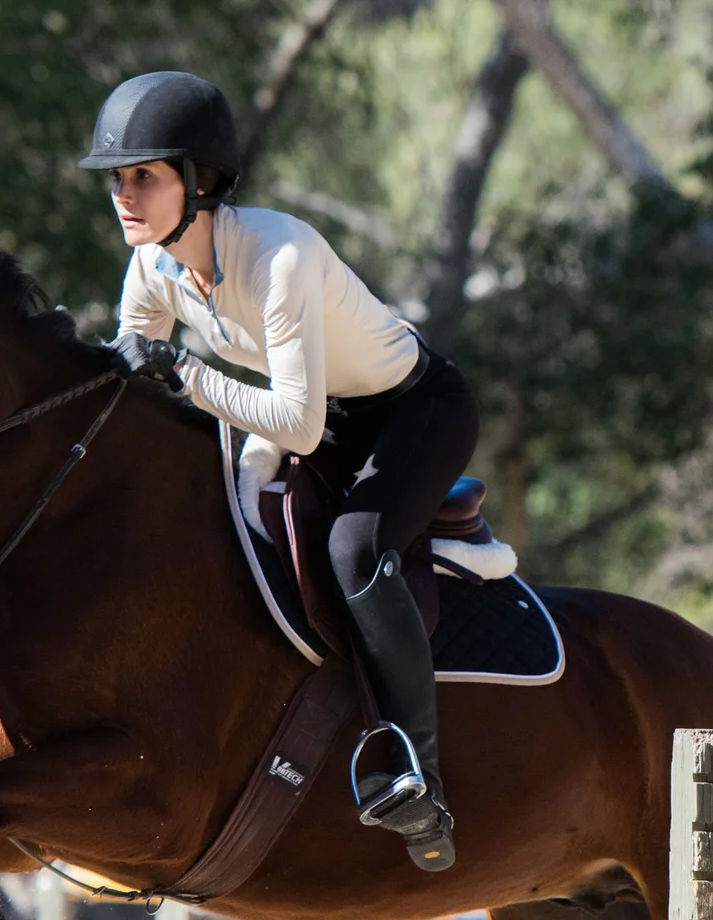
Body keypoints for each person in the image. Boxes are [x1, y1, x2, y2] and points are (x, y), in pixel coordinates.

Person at [81, 70, 473, 873]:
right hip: (318, 422)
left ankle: (418, 774)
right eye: (118, 179)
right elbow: (129, 374)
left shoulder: (280, 254)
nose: (124, 195)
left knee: (352, 553)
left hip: (412, 413)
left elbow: (291, 418)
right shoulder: (155, 265)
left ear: (200, 181)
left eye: (144, 177)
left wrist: (184, 373)